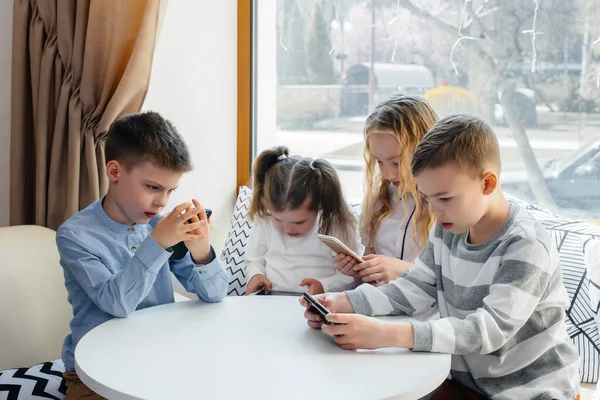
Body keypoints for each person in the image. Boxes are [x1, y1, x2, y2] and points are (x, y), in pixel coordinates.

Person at [302, 114, 580, 400]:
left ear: (487, 183)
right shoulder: (450, 227)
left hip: (532, 392)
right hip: (464, 382)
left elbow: (486, 331)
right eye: (428, 198)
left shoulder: (526, 244)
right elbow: (415, 287)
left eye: (444, 198)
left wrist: (385, 334)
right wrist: (344, 303)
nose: (434, 211)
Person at [57, 111, 229, 399]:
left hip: (156, 359)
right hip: (95, 372)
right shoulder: (75, 236)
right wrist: (158, 243)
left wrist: (201, 250)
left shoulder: (158, 225)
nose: (161, 201)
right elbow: (117, 303)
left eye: (170, 190)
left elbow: (216, 293)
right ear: (115, 172)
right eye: (152, 187)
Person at [336, 93, 438, 286]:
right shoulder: (377, 201)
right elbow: (369, 273)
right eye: (379, 162)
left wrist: (401, 270)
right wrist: (357, 271)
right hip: (380, 308)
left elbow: (451, 283)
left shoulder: (446, 208)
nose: (387, 174)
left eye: (396, 162)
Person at [244, 146, 359, 295]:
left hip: (321, 302)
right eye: (278, 219)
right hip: (270, 300)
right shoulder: (265, 218)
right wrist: (255, 275)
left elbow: (352, 275)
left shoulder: (335, 223)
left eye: (299, 222)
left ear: (319, 206)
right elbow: (254, 259)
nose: (287, 230)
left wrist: (324, 285)